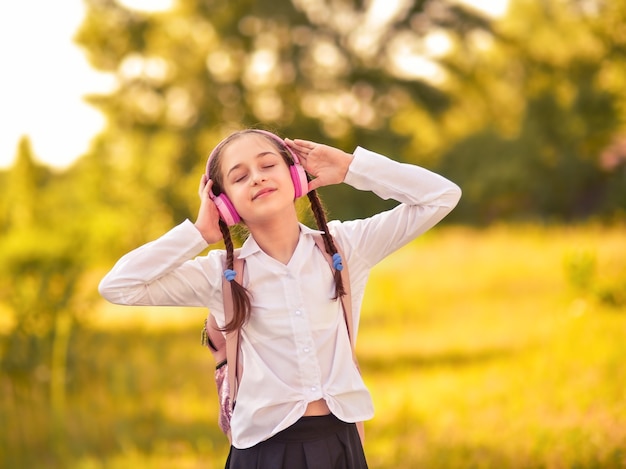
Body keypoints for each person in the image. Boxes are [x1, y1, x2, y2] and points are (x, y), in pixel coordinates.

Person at [98, 128, 461, 468]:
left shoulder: (345, 247)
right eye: (240, 177)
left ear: (296, 176)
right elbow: (118, 285)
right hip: (264, 452)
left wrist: (351, 167)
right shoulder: (219, 273)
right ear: (225, 204)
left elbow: (441, 196)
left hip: (340, 442)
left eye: (268, 165)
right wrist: (199, 232)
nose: (257, 177)